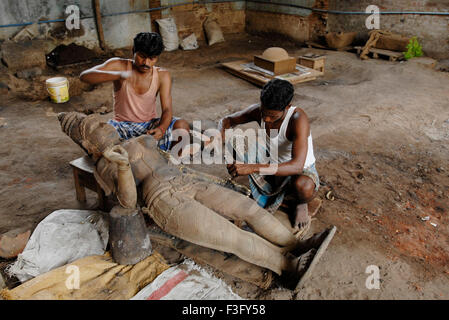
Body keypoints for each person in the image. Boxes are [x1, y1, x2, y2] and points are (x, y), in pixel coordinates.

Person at [218, 79, 320, 234]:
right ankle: (272, 190)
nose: (265, 120)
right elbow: (227, 120)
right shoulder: (259, 111)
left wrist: (251, 168)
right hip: (271, 162)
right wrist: (221, 135)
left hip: (296, 170)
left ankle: (300, 204)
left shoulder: (298, 119)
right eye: (264, 113)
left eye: (272, 116)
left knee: (303, 186)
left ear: (287, 107)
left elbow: (296, 165)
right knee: (237, 145)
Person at [80, 32, 190, 152]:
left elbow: (167, 110)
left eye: (152, 58)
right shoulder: (119, 65)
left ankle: (173, 166)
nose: (146, 63)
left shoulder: (162, 75)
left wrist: (161, 129)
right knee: (97, 138)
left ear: (157, 57)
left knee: (182, 126)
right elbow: (85, 76)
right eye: (142, 56)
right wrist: (120, 75)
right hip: (121, 126)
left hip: (148, 126)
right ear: (133, 51)